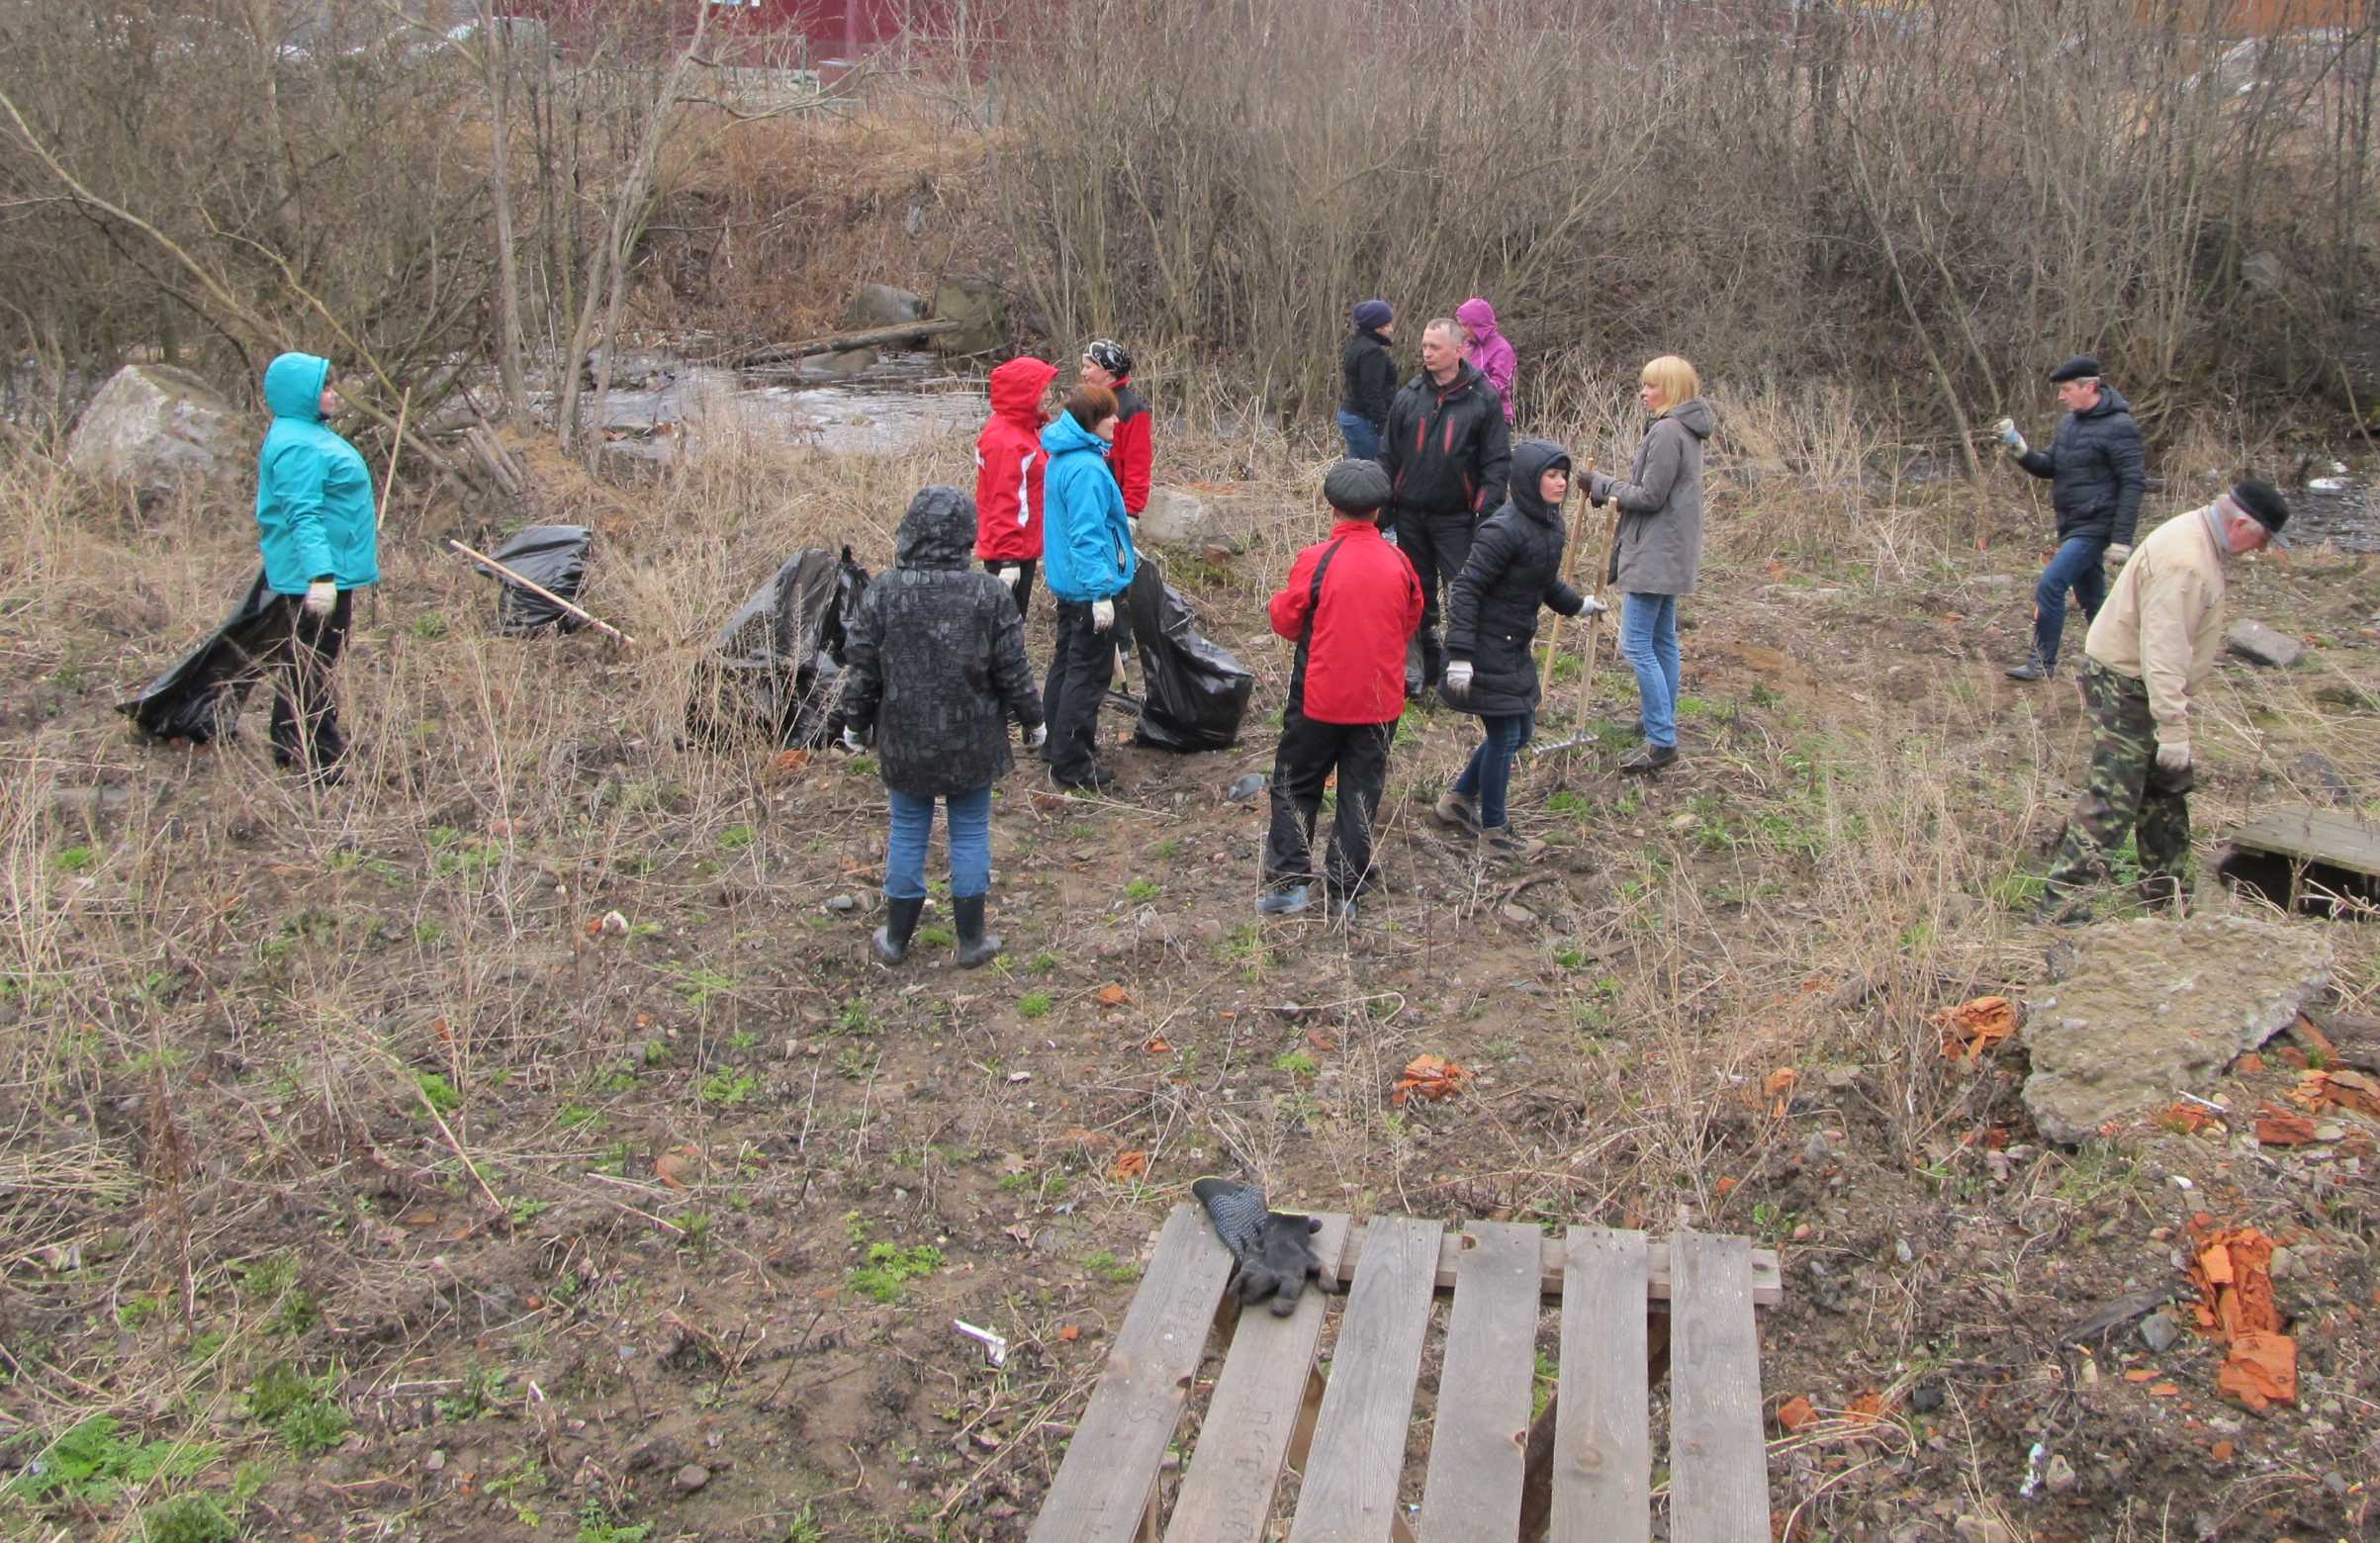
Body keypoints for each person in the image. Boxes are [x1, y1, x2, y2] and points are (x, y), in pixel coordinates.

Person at [2039, 481, 2288, 921]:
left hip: (2142, 683)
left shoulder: (2200, 537)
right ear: (2242, 522)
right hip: (2129, 685)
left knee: (2165, 793)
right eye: (2263, 539)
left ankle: (2167, 896)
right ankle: (2061, 909)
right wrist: (2173, 728)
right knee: (2114, 798)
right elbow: (2163, 651)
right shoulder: (2186, 561)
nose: (2261, 550)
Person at [839, 486, 1046, 968]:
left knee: (908, 831)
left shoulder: (885, 591)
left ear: (910, 532)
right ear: (966, 537)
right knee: (970, 832)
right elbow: (1013, 671)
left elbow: (863, 669)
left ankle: (895, 941)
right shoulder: (989, 594)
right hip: (973, 741)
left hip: (905, 740)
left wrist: (854, 726)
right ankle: (971, 941)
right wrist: (1035, 724)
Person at [1258, 459, 1423, 920]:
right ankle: (1345, 892)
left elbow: (1287, 619)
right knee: (1360, 792)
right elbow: (1410, 620)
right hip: (1379, 702)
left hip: (1319, 697)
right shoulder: (1399, 561)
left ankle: (1291, 883)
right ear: (1378, 510)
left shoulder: (1317, 559)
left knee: (1295, 781)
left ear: (1332, 507)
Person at [1434, 439, 1598, 861]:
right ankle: (1495, 833)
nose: (1561, 483)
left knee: (1520, 732)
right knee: (1506, 735)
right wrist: (1460, 656)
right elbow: (1466, 588)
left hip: (1513, 642)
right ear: (1529, 479)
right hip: (1486, 646)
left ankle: (1458, 801)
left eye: (1564, 475)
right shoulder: (1502, 529)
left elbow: (1541, 580)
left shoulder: (1548, 525)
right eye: (1552, 475)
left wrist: (1577, 605)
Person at [253, 351, 379, 785]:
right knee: (314, 665)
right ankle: (321, 759)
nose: (333, 395)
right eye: (325, 388)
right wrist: (321, 577)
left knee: (305, 660)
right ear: (301, 394)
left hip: (328, 568)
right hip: (319, 575)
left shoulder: (304, 433)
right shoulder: (297, 445)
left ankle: (288, 744)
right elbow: (301, 515)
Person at [1588, 355, 1713, 774]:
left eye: (1651, 386)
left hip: (1656, 551)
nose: (1643, 393)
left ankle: (1661, 740)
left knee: (1638, 643)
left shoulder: (1667, 431)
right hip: (1671, 549)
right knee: (1663, 640)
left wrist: (1602, 486)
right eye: (1643, 385)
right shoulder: (1687, 431)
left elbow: (1648, 496)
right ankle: (1657, 722)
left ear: (1672, 390)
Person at [1378, 317, 1511, 699]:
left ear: (1459, 350)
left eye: (1435, 347)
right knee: (1413, 593)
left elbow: (1496, 465)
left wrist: (1485, 516)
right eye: (1424, 345)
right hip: (1409, 516)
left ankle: (1468, 671)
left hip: (1457, 517)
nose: (1426, 353)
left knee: (1464, 591)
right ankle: (1417, 672)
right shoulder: (1410, 395)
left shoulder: (1483, 398)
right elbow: (1388, 456)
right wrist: (1381, 508)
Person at [1995, 355, 2148, 682]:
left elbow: (2133, 483)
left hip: (2096, 526)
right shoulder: (2070, 423)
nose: (2061, 397)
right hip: (2071, 524)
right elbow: (2050, 466)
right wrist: (2018, 448)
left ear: (2089, 387)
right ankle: (2123, 663)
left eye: (2066, 390)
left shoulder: (2121, 427)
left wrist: (2122, 539)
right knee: (2094, 601)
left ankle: (2041, 663)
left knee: (2051, 585)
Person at [1039, 384, 1137, 791]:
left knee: (1065, 664)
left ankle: (1056, 747)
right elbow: (1085, 535)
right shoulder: (1086, 470)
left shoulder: (1065, 458)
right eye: (1110, 415)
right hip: (1087, 590)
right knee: (1088, 674)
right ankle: (1073, 764)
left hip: (1069, 584)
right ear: (1091, 422)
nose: (1118, 421)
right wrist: (1100, 594)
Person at [973, 355, 1060, 622]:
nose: (1048, 395)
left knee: (1009, 626)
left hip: (1022, 545)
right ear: (1024, 392)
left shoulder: (1023, 429)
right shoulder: (1007, 441)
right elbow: (1003, 502)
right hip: (1009, 550)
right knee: (1002, 630)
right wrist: (1008, 560)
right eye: (1042, 389)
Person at [1079, 339, 1150, 520]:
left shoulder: (1131, 409)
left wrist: (1131, 511)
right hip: (1082, 498)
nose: (1083, 373)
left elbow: (1138, 462)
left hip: (1112, 504)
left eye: (1088, 367)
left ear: (1108, 373)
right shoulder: (1083, 403)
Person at [1337, 300, 1398, 459]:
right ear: (1376, 326)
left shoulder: (1357, 344)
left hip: (1351, 415)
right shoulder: (1373, 352)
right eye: (1387, 325)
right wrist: (1384, 427)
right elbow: (1372, 393)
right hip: (1364, 420)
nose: (1391, 329)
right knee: (1375, 472)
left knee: (1358, 470)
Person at [1455, 296, 1517, 424]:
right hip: (1466, 414)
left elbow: (1498, 388)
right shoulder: (1466, 346)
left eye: (1463, 325)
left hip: (1495, 418)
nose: (1460, 331)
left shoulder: (1502, 350)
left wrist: (1472, 376)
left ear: (1476, 325)